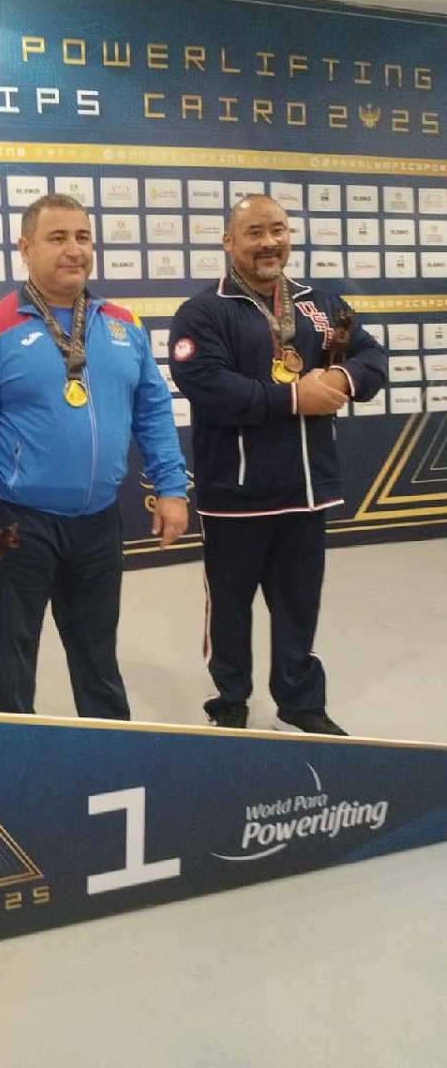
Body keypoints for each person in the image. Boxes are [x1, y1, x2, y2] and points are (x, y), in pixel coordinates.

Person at [0, 192, 189, 719]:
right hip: (21, 521)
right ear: (25, 248)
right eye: (57, 238)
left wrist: (171, 488)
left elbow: (153, 413)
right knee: (15, 655)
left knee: (98, 652)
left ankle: (109, 746)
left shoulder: (124, 324)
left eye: (83, 237)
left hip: (99, 520)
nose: (74, 250)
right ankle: (18, 744)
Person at [168, 194, 387, 736]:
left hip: (307, 489)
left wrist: (339, 380)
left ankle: (300, 702)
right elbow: (210, 387)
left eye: (278, 230)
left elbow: (373, 357)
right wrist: (294, 398)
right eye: (254, 232)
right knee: (230, 606)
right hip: (235, 493)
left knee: (299, 604)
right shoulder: (203, 312)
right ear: (229, 242)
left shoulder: (319, 303)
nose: (269, 243)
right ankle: (230, 700)